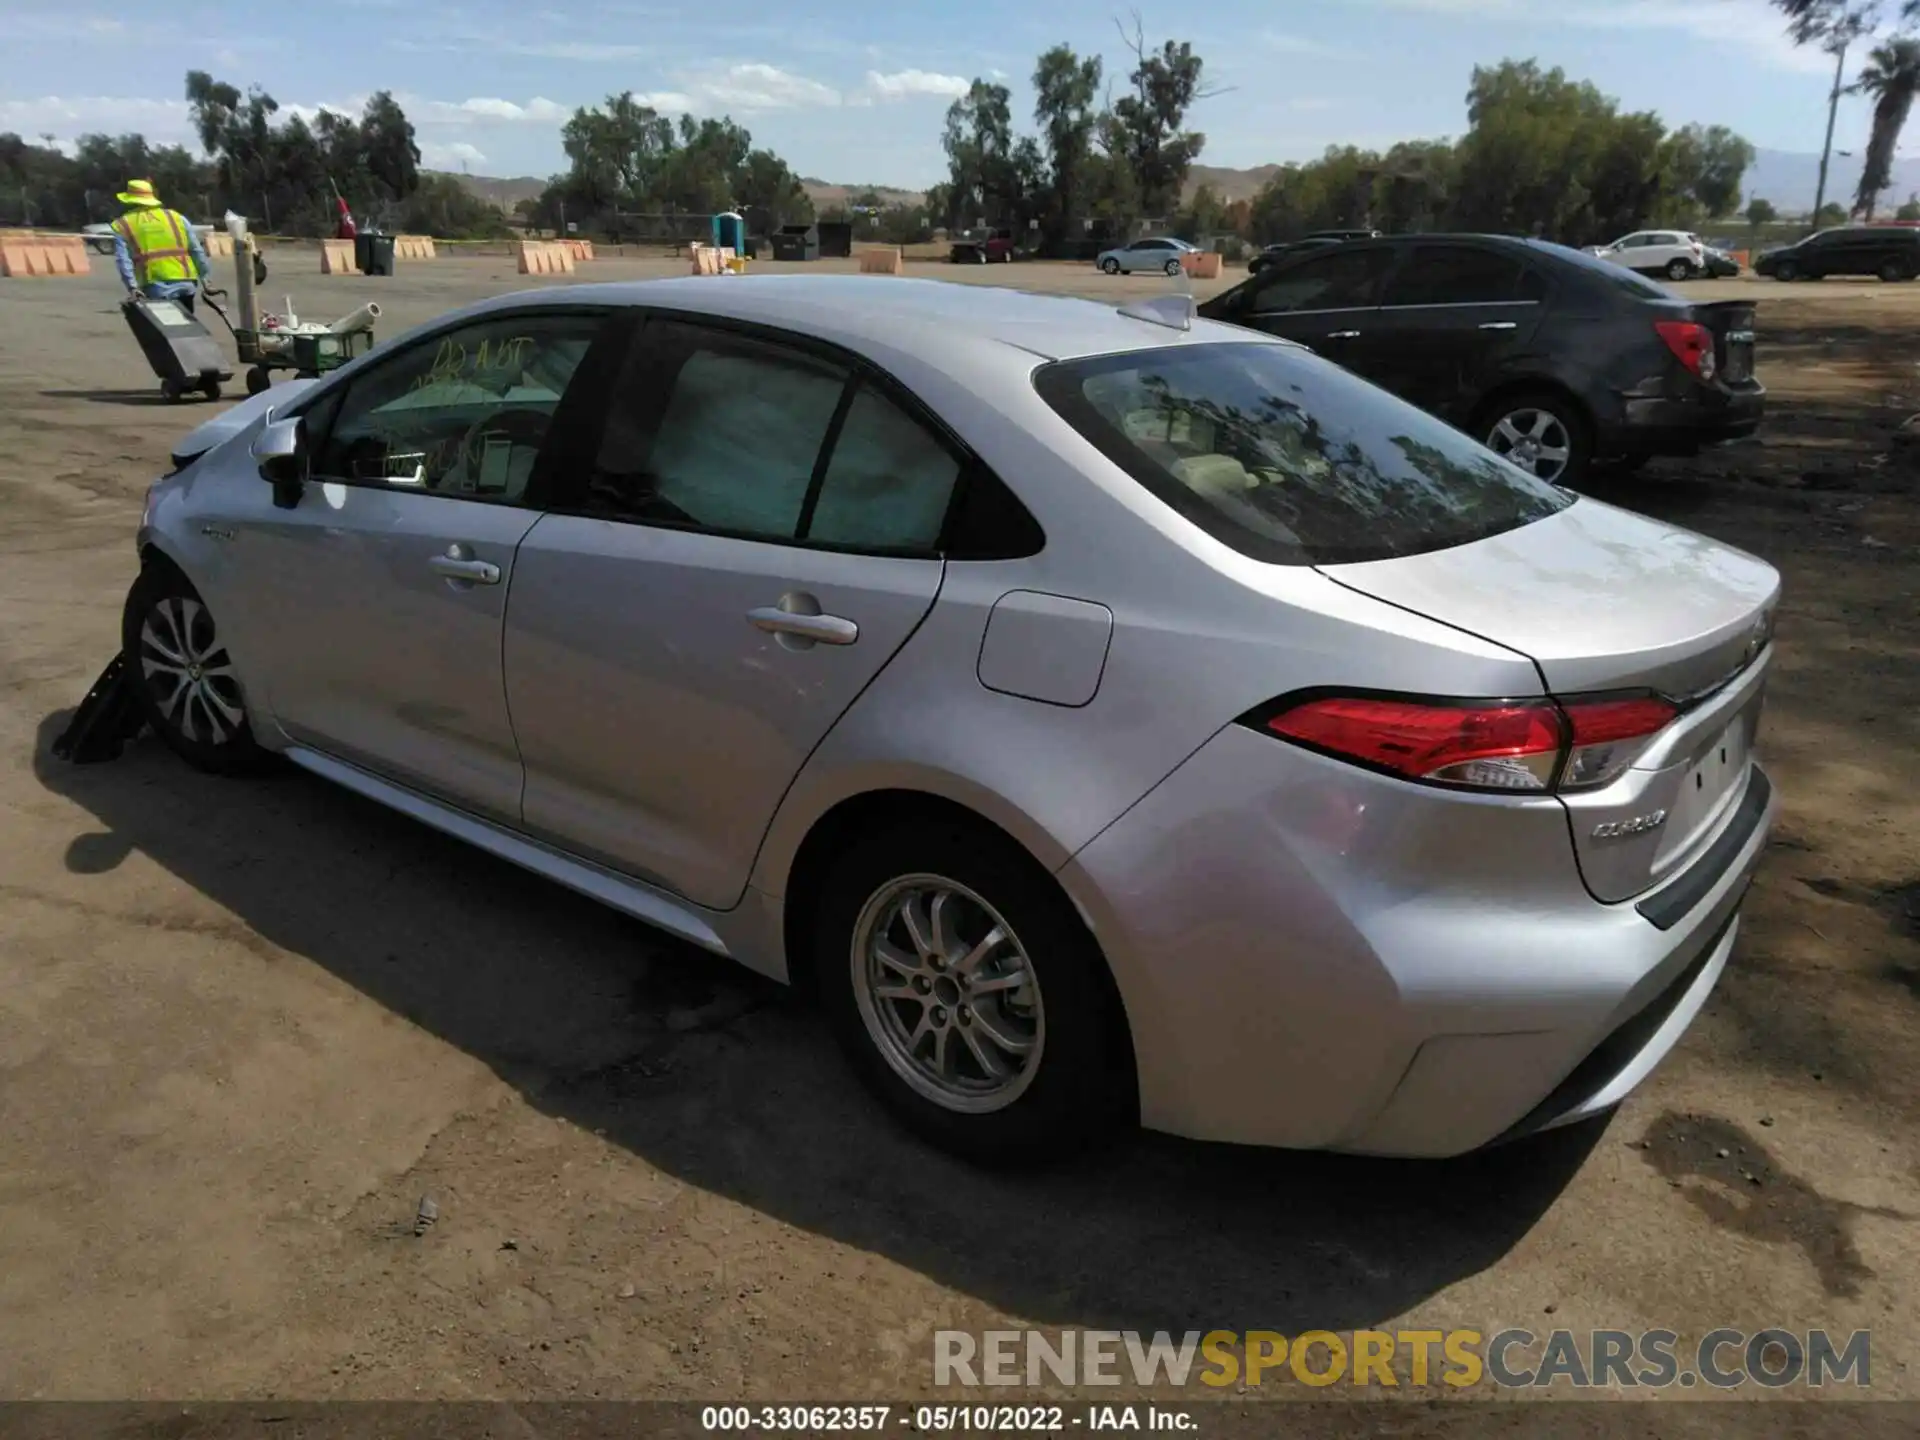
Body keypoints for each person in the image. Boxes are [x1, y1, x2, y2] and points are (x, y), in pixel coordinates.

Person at [111, 179, 212, 314]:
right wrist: (204, 277)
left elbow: (123, 260)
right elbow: (196, 250)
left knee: (164, 332)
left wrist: (132, 287)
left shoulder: (122, 224)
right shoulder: (176, 217)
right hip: (186, 285)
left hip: (154, 286)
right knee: (187, 329)